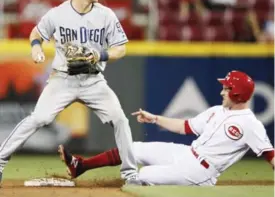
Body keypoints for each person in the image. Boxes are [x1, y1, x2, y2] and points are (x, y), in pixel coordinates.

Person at [0, 0, 140, 185]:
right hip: (62, 79)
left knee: (120, 119)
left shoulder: (106, 14)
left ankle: (130, 174)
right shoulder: (58, 13)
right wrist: (36, 47)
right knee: (39, 118)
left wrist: (99, 54)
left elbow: (120, 49)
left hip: (94, 81)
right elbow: (36, 33)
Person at [58, 70, 274, 186]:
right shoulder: (217, 110)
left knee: (143, 175)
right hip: (187, 154)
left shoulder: (250, 125)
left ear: (237, 93)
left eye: (226, 89)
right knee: (133, 148)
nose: (222, 91)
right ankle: (81, 166)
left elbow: (271, 156)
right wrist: (154, 119)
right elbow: (185, 126)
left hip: (201, 172)